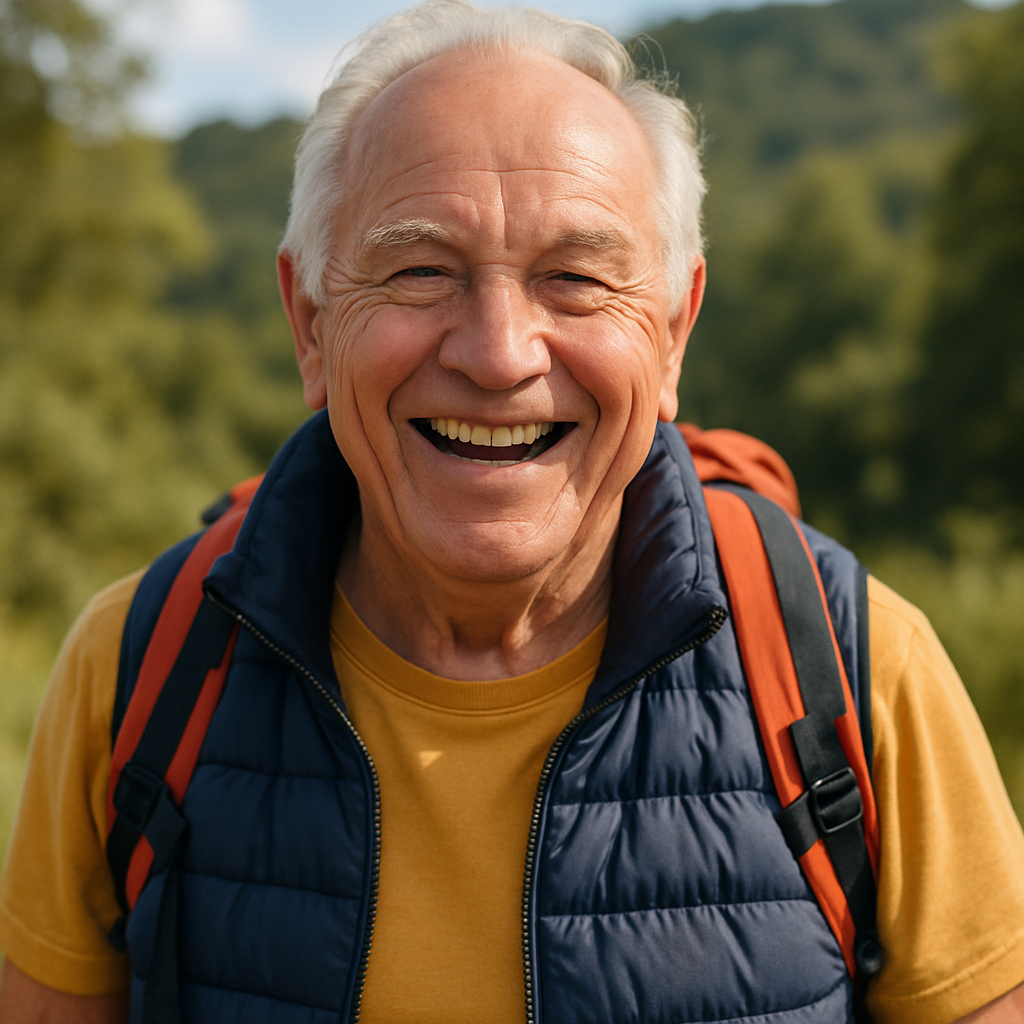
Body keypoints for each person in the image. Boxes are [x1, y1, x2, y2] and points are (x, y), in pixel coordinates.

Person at [1, 2, 1023, 1021]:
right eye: (419, 271)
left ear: (670, 334)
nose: (497, 353)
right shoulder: (138, 665)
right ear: (310, 325)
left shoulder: (857, 668)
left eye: (574, 279)